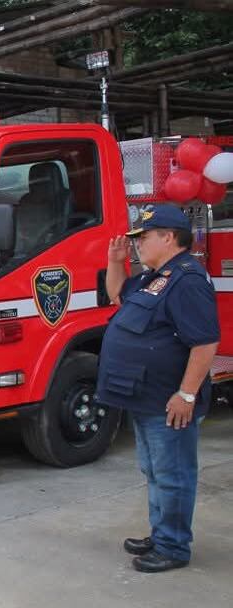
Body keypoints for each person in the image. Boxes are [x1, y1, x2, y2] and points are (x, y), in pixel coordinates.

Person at [98, 203, 220, 573]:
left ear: (168, 237)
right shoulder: (156, 275)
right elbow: (116, 293)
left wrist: (186, 395)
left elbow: (205, 343)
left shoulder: (187, 280)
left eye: (143, 237)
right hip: (146, 396)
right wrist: (116, 261)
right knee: (154, 471)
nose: (136, 244)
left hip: (170, 401)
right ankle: (162, 532)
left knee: (174, 473)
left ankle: (173, 546)